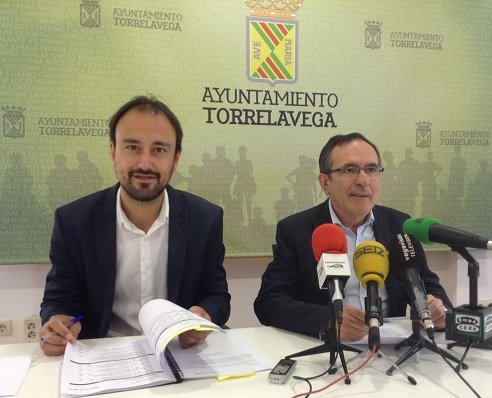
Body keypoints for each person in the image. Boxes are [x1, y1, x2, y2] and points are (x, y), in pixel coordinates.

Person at [40, 95, 231, 356]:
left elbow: (216, 296)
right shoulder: (74, 220)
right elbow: (59, 299)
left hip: (178, 354)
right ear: (113, 152)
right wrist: (58, 324)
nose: (144, 163)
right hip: (104, 355)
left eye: (159, 149)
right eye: (132, 147)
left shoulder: (204, 218)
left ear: (175, 159)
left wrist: (202, 314)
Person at [254, 133, 452, 342]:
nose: (363, 180)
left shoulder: (398, 225)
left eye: (371, 169)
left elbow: (430, 288)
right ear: (325, 182)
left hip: (391, 349)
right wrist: (328, 321)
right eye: (349, 170)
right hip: (327, 350)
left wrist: (439, 311)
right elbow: (269, 302)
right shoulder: (296, 230)